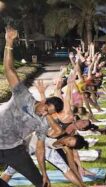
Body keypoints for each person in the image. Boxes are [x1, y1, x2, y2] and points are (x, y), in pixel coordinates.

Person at [0, 26, 64, 187]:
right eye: (46, 109)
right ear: (44, 102)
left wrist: (44, 173)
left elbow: (41, 149)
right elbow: (9, 70)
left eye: (49, 114)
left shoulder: (42, 124)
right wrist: (9, 43)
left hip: (14, 150)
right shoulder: (23, 96)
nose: (44, 114)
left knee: (43, 185)